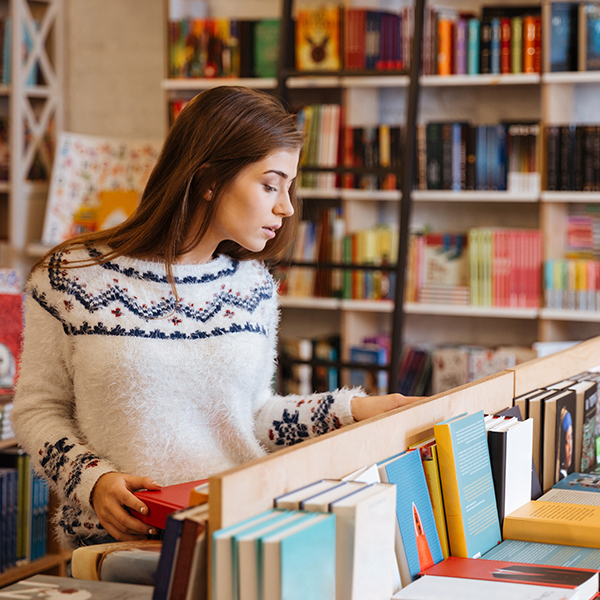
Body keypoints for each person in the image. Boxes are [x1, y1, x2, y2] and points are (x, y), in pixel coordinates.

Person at [11, 86, 421, 550]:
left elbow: (250, 417)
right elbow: (37, 411)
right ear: (208, 178)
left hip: (236, 531)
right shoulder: (69, 277)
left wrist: (354, 409)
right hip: (120, 543)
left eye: (289, 187)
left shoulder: (253, 286)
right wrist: (94, 482)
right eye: (270, 184)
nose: (286, 207)